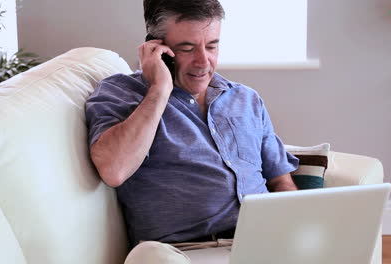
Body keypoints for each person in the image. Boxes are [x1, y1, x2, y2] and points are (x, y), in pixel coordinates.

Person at [85, 0, 299, 262]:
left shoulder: (246, 99)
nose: (203, 61)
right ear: (157, 48)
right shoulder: (121, 94)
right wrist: (160, 89)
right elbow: (114, 170)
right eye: (186, 48)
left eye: (212, 46)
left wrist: (296, 231)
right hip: (182, 254)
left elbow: (281, 182)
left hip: (263, 244)